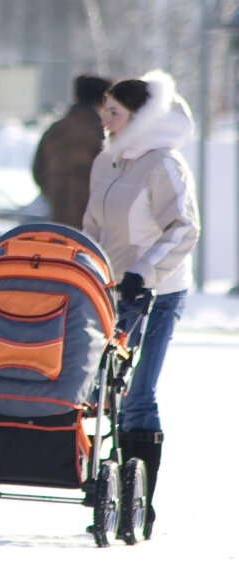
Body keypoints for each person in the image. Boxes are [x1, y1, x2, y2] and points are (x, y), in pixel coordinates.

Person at [83, 69, 201, 539]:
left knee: (137, 395)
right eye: (106, 110)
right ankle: (111, 488)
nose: (105, 118)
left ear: (140, 117)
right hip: (110, 289)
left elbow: (184, 229)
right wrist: (85, 268)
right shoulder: (107, 161)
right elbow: (92, 224)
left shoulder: (165, 164)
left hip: (156, 292)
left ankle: (141, 501)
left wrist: (143, 274)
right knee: (103, 388)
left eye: (114, 111)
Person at [32, 74, 112, 229]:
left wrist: (58, 196)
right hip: (95, 229)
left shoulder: (54, 132)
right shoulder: (102, 134)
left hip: (59, 225)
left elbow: (38, 172)